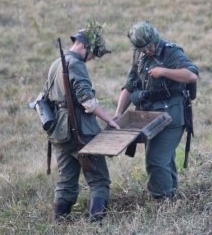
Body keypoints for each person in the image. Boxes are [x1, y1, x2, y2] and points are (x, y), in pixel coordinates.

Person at [43, 21, 120, 223]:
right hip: (80, 131)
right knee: (99, 180)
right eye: (93, 53)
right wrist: (109, 120)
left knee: (66, 180)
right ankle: (96, 224)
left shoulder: (55, 64)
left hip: (58, 132)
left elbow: (44, 98)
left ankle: (60, 223)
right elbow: (88, 102)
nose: (92, 58)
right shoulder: (76, 64)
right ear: (84, 46)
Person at [115, 21, 199, 200]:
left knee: (155, 161)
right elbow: (130, 84)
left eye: (149, 47)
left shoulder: (172, 52)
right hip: (149, 117)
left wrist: (164, 71)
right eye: (142, 49)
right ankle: (171, 197)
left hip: (171, 117)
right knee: (164, 159)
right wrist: (119, 113)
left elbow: (191, 75)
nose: (147, 51)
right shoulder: (139, 55)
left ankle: (162, 201)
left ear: (156, 40)